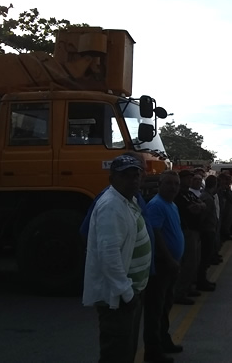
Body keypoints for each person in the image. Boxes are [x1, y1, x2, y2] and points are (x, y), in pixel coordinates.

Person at [82, 154, 152, 363]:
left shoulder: (127, 200)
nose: (133, 180)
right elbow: (109, 255)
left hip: (129, 293)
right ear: (112, 179)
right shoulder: (111, 206)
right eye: (126, 176)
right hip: (119, 297)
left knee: (126, 349)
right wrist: (127, 292)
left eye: (136, 175)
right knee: (117, 352)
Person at [143, 170, 185, 363]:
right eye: (169, 183)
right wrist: (169, 259)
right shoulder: (157, 205)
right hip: (162, 265)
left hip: (171, 265)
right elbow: (156, 235)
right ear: (160, 184)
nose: (173, 187)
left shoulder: (172, 204)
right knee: (155, 309)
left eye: (176, 184)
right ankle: (152, 351)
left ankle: (163, 340)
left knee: (166, 306)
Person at [174, 169, 205, 305]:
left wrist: (199, 206)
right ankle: (180, 293)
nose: (190, 180)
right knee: (187, 263)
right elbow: (193, 208)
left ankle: (187, 288)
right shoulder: (179, 195)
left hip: (195, 231)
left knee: (194, 262)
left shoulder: (190, 194)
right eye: (188, 178)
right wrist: (199, 206)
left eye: (191, 178)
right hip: (187, 231)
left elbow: (202, 205)